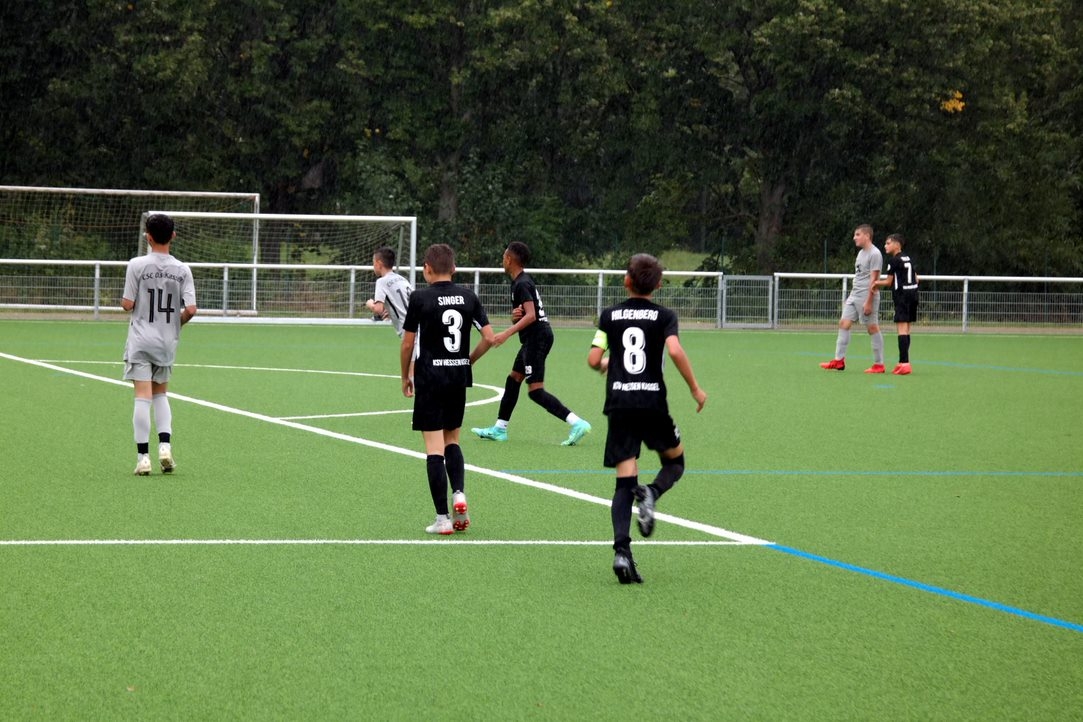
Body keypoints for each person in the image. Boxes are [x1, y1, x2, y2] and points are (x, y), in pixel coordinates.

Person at [588, 254, 707, 584]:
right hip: (652, 403)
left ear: (626, 280)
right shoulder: (664, 316)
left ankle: (621, 552)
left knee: (625, 481)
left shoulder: (609, 315)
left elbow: (594, 358)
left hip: (620, 404)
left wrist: (608, 365)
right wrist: (695, 389)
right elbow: (675, 351)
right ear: (658, 285)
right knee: (675, 463)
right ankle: (653, 492)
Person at [401, 243, 498, 535]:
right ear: (454, 268)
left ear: (426, 269)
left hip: (430, 378)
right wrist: (468, 361)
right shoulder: (469, 296)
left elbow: (407, 343)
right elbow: (489, 338)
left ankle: (442, 519)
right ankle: (459, 493)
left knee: (434, 448)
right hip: (457, 377)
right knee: (452, 439)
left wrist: (405, 375)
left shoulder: (419, 298)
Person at [471, 241, 591, 446]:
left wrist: (506, 333)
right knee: (513, 379)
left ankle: (577, 423)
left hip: (537, 337)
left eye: (504, 257)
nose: (502, 260)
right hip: (533, 337)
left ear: (509, 259)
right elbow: (525, 315)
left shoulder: (522, 283)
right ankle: (499, 429)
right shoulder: (518, 282)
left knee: (535, 391)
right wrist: (514, 318)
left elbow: (532, 316)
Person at [121, 213, 197, 475]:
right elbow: (191, 309)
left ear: (148, 237)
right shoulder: (183, 269)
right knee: (161, 394)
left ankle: (143, 458)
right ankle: (165, 447)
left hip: (141, 340)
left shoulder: (136, 265)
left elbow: (127, 304)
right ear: (173, 236)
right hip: (166, 342)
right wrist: (176, 323)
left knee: (142, 397)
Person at [820, 224, 885, 373]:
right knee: (844, 323)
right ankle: (839, 361)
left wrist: (869, 301)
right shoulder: (861, 253)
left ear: (867, 236)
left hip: (866, 295)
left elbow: (874, 280)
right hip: (854, 294)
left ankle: (879, 364)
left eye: (857, 234)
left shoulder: (875, 254)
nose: (854, 238)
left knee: (872, 327)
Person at [875, 233, 919, 375]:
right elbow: (916, 278)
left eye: (888, 243)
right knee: (907, 329)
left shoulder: (894, 260)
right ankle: (903, 362)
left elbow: (888, 282)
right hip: (913, 294)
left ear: (897, 245)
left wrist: (875, 283)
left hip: (902, 296)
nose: (885, 246)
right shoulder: (908, 258)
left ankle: (904, 363)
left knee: (901, 329)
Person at [365, 246, 413, 336]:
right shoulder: (403, 279)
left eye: (373, 263)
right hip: (419, 325)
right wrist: (390, 311)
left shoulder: (381, 281)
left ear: (379, 264)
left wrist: (370, 304)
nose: (373, 266)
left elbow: (378, 309)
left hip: (407, 331)